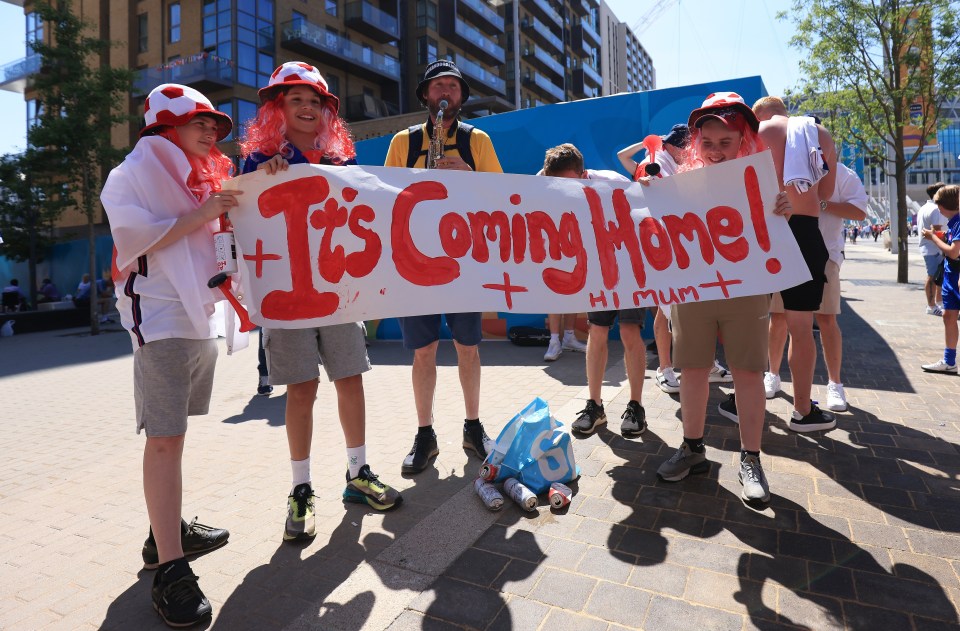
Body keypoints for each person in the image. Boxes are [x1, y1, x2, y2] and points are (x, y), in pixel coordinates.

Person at [241, 62, 401, 540]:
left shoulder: (341, 166)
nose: (307, 108)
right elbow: (239, 219)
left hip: (337, 294)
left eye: (315, 101)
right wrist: (263, 179)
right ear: (278, 109)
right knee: (302, 390)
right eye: (296, 100)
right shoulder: (256, 166)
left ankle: (357, 474)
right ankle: (301, 489)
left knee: (350, 379)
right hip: (286, 300)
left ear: (327, 112)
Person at [100, 83, 235, 628]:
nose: (211, 131)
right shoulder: (128, 175)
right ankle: (171, 570)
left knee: (176, 432)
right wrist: (206, 212)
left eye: (213, 124)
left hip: (197, 312)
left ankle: (167, 534)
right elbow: (135, 241)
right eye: (199, 122)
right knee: (164, 436)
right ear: (165, 127)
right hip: (156, 316)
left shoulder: (202, 175)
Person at [655, 92, 793, 504]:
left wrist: (785, 207)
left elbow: (779, 228)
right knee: (693, 371)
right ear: (697, 143)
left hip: (746, 289)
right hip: (694, 289)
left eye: (725, 142)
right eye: (709, 143)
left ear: (744, 141)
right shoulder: (682, 182)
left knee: (748, 373)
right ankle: (693, 449)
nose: (716, 151)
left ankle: (751, 458)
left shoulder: (764, 181)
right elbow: (658, 221)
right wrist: (649, 194)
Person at [384, 59, 503, 473]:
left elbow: (502, 202)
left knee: (468, 347)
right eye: (438, 87)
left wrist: (470, 175)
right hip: (415, 262)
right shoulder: (403, 141)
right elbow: (384, 198)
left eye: (452, 86)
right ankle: (425, 433)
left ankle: (473, 426)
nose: (445, 93)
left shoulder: (478, 141)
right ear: (425, 96)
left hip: (463, 263)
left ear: (461, 97)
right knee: (423, 351)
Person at [541, 144, 647, 437]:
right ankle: (595, 406)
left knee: (629, 331)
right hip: (597, 269)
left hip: (628, 265)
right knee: (596, 331)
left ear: (583, 173)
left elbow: (643, 209)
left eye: (568, 181)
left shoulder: (611, 181)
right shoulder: (552, 184)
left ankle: (636, 406)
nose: (563, 188)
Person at [618, 123, 732, 393]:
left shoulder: (684, 163)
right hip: (663, 248)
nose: (685, 151)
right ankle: (666, 368)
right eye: (679, 145)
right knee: (667, 308)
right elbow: (646, 185)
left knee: (690, 307)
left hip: (686, 246)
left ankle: (705, 364)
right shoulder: (654, 162)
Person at [752, 95, 838, 433]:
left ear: (760, 113)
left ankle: (740, 398)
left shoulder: (758, 131)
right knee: (802, 329)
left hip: (761, 231)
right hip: (804, 229)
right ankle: (802, 410)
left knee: (750, 322)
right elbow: (826, 194)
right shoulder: (821, 135)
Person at [764, 163, 867, 413]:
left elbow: (859, 212)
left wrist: (818, 204)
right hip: (785, 252)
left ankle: (835, 383)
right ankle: (773, 374)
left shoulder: (842, 174)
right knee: (778, 317)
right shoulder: (781, 167)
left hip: (826, 254)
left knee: (826, 319)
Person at [921, 185, 960, 374]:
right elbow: (952, 239)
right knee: (948, 316)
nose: (938, 210)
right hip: (952, 276)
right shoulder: (954, 221)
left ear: (946, 205)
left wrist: (932, 238)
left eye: (939, 206)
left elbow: (954, 252)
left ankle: (949, 360)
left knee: (949, 316)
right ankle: (949, 360)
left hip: (956, 276)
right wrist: (938, 235)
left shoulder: (958, 221)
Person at [919, 182, 947, 316]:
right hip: (934, 249)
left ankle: (938, 302)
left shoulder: (925, 207)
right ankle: (931, 306)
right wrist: (946, 248)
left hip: (929, 248)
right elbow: (937, 231)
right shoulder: (936, 209)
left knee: (937, 277)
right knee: (933, 277)